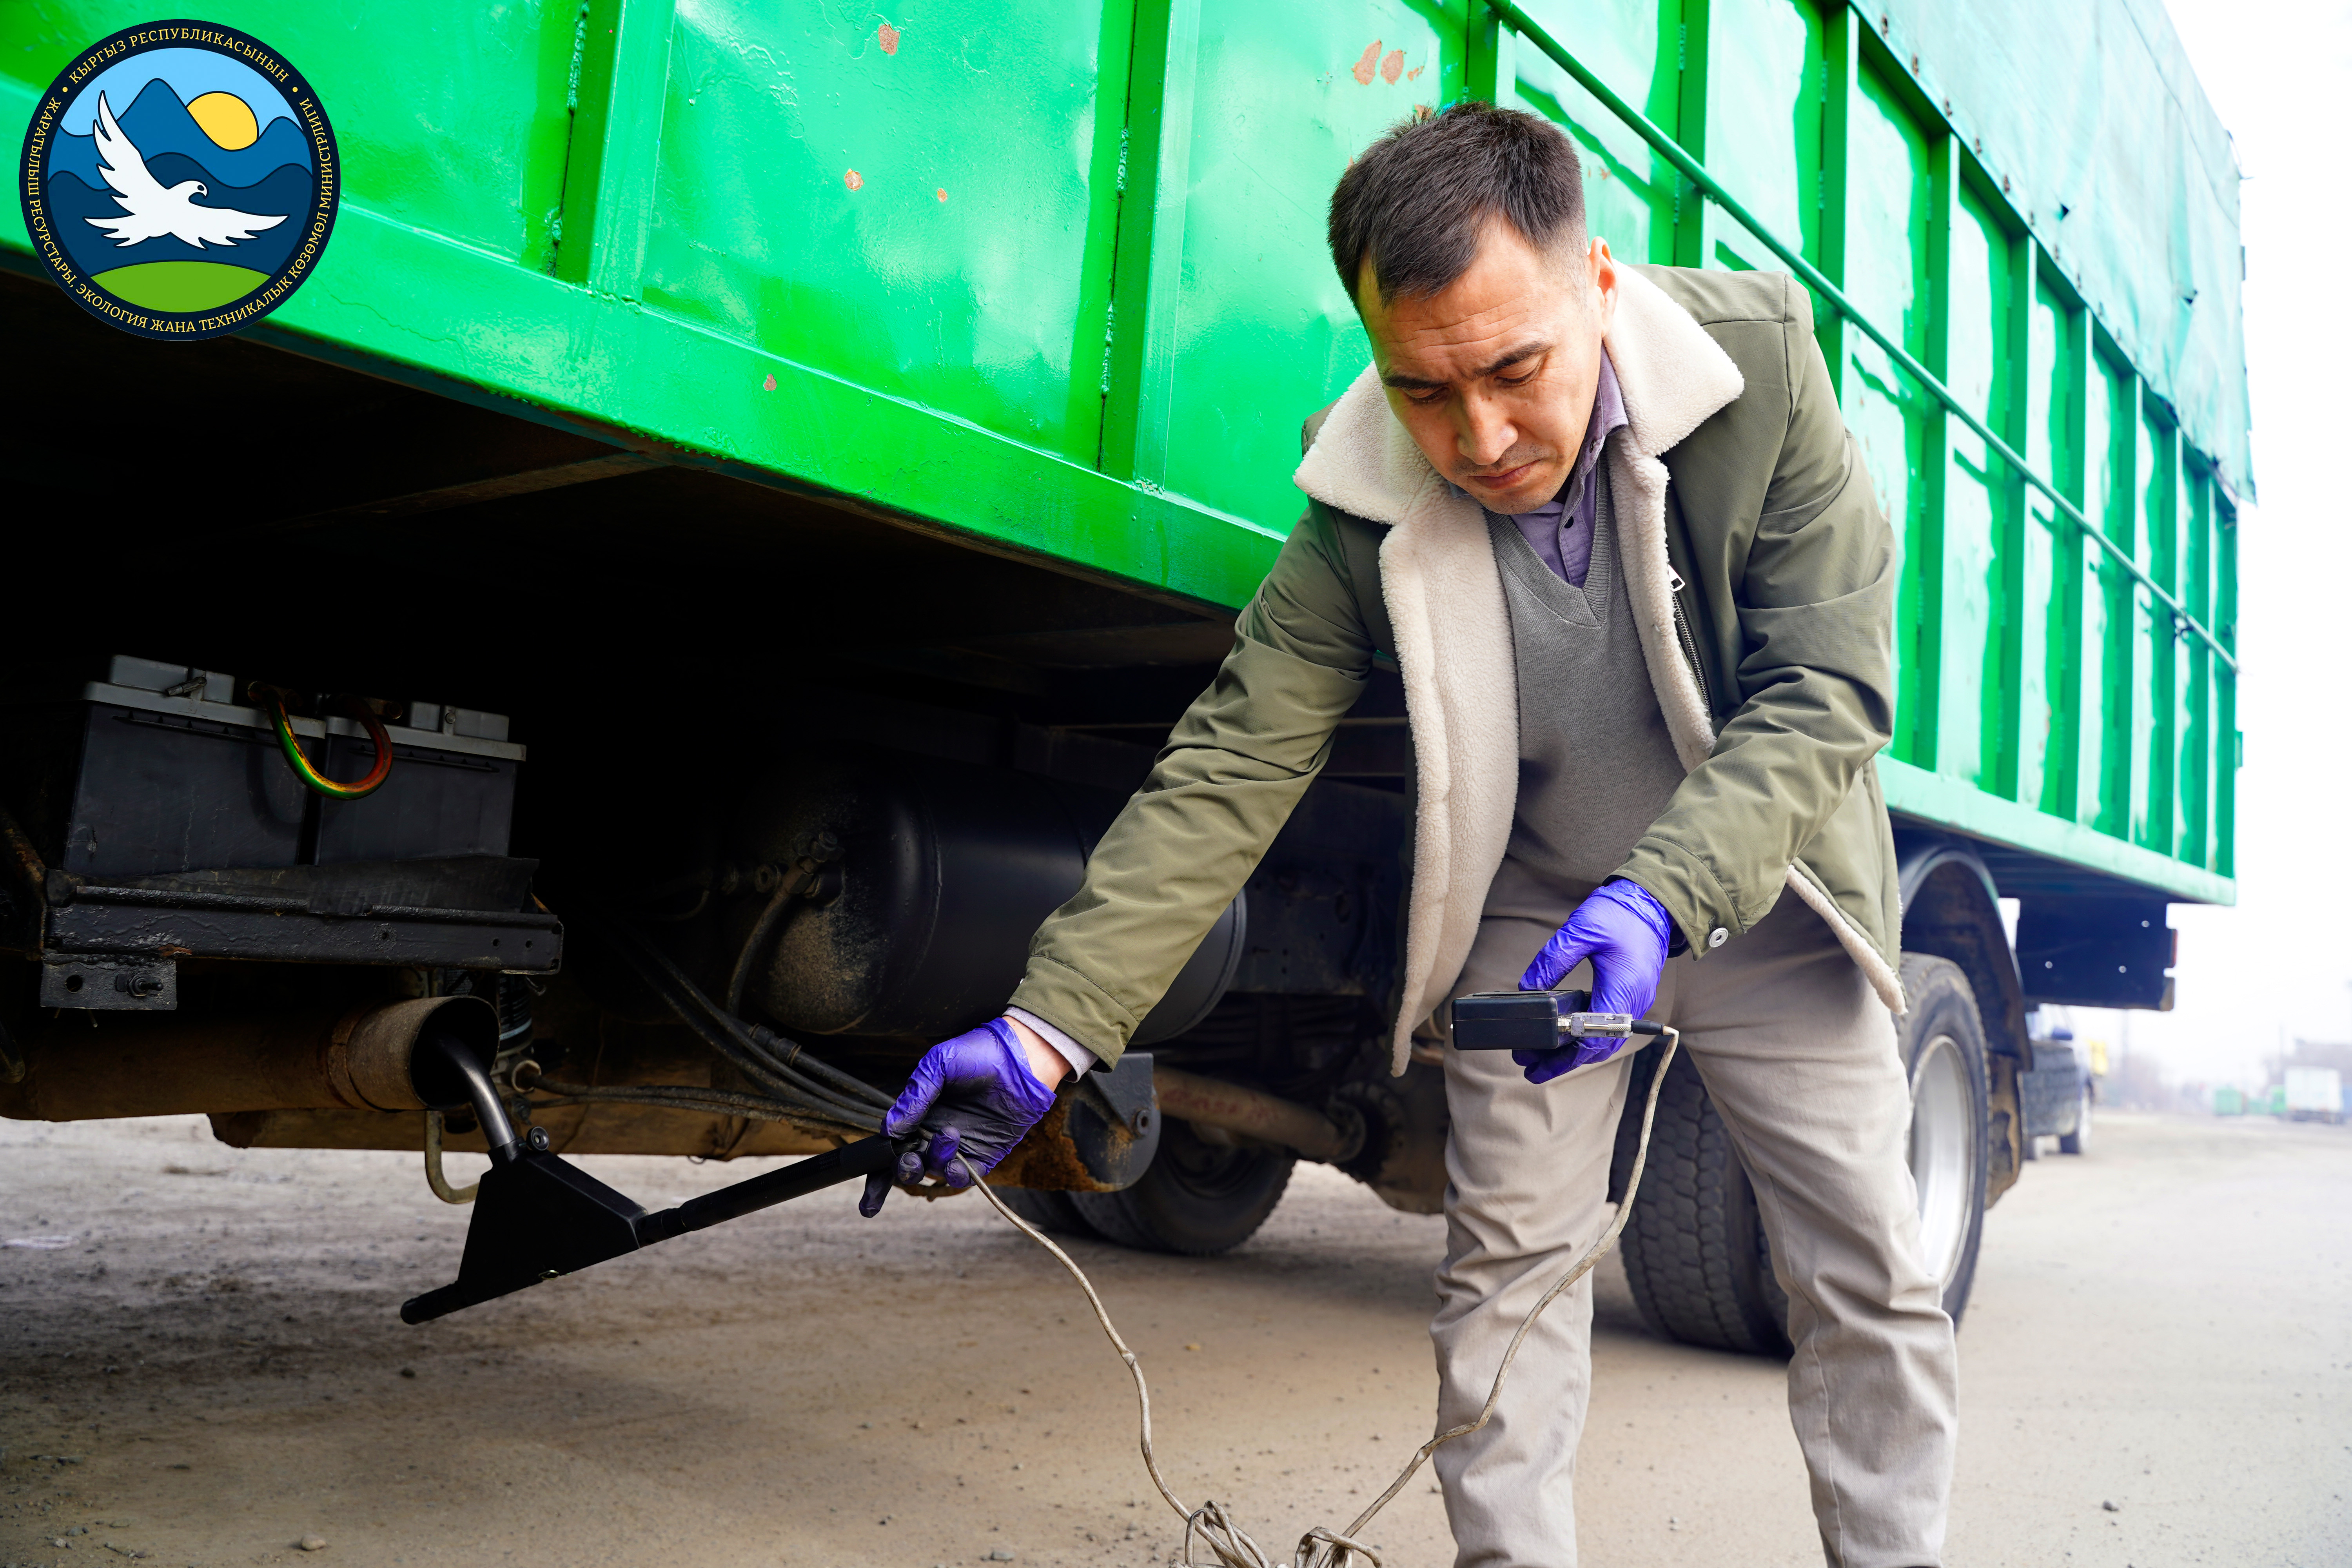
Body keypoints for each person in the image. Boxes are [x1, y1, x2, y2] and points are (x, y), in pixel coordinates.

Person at [863, 101, 1955, 1568]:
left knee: (1870, 1274)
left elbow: (1828, 691)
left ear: (1601, 282)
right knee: (1504, 1281)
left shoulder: (1759, 369)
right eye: (1424, 391)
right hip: (1542, 903)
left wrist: (1661, 900)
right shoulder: (1362, 491)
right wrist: (1051, 1029)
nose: (1481, 437)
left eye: (1516, 370)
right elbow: (1236, 759)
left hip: (1768, 907)